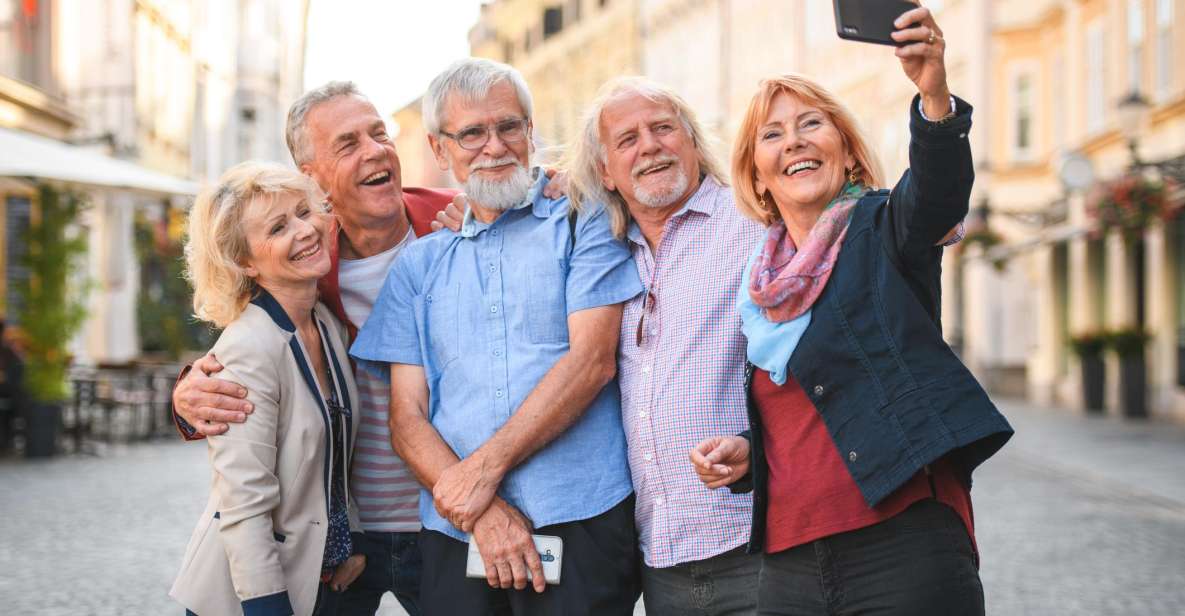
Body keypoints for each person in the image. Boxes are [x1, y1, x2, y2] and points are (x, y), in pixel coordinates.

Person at [691, 6, 1013, 615]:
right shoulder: (759, 290)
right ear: (758, 177)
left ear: (845, 149)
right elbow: (813, 417)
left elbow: (939, 193)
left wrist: (933, 94)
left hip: (903, 546)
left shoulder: (885, 227)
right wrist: (748, 455)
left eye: (811, 124)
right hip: (788, 565)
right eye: (772, 134)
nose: (794, 142)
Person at [349, 58, 642, 615]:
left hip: (580, 513)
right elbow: (407, 418)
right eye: (472, 133)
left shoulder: (585, 220)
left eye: (509, 126)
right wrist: (480, 511)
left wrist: (482, 473)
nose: (495, 146)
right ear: (440, 150)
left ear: (531, 132)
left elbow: (591, 363)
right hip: (457, 532)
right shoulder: (419, 265)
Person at [171, 82, 456, 615]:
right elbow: (243, 361)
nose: (375, 150)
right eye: (348, 144)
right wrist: (189, 397)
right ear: (312, 176)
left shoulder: (458, 224)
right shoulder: (309, 270)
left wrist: (552, 185)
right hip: (343, 547)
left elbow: (533, 187)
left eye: (379, 133)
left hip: (441, 522)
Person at [566, 77, 764, 615]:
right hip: (662, 559)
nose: (649, 146)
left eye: (662, 128)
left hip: (757, 544)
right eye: (626, 139)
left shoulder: (755, 221)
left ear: (693, 142)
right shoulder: (602, 251)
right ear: (605, 171)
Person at [169, 162, 361, 616]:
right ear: (245, 262)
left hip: (318, 583)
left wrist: (349, 541)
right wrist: (268, 608)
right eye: (278, 227)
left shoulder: (326, 323)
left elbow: (334, 454)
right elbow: (244, 506)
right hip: (249, 597)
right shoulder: (247, 350)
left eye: (303, 211)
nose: (305, 230)